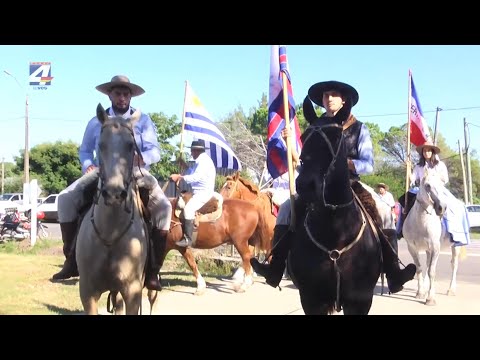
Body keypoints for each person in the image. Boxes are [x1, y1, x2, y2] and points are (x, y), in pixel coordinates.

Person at [251, 80, 416, 293]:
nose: (329, 98)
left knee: (384, 211)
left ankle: (393, 272)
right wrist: (291, 146)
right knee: (285, 209)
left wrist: (343, 162)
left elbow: (368, 164)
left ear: (344, 100)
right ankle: (275, 266)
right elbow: (305, 159)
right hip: (318, 184)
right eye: (325, 95)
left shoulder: (359, 129)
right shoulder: (315, 126)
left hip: (350, 182)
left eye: (334, 94)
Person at [52, 75, 172, 292]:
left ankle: (153, 270)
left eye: (126, 93)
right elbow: (85, 150)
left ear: (130, 96)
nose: (122, 97)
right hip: (102, 173)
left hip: (136, 172)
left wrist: (143, 159)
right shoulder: (96, 121)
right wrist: (88, 165)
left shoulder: (143, 121)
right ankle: (71, 259)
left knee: (165, 207)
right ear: (110, 95)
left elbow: (155, 149)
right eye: (118, 93)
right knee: (65, 199)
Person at [397, 140, 470, 246]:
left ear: (432, 152)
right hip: (421, 190)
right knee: (404, 202)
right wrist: (408, 170)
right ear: (422, 153)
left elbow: (445, 179)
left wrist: (433, 180)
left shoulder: (440, 165)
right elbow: (413, 179)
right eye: (424, 151)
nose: (426, 153)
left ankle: (452, 232)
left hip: (437, 189)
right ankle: (401, 229)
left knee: (455, 206)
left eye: (428, 151)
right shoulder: (418, 166)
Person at [170, 139, 216, 247]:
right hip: (198, 192)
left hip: (203, 193)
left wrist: (179, 177)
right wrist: (184, 165)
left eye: (192, 151)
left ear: (196, 150)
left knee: (188, 209)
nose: (191, 153)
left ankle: (188, 239)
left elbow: (196, 177)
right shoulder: (200, 161)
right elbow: (192, 172)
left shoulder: (203, 161)